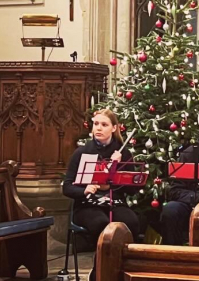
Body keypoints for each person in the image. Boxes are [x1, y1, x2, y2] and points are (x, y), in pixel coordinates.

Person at [62, 108, 139, 280]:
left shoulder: (123, 153)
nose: (98, 128)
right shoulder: (82, 152)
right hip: (87, 205)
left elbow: (132, 189)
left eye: (104, 125)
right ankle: (99, 271)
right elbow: (66, 187)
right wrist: (84, 190)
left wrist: (119, 167)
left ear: (114, 128)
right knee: (102, 225)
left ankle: (121, 270)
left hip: (114, 202)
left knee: (130, 222)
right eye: (96, 124)